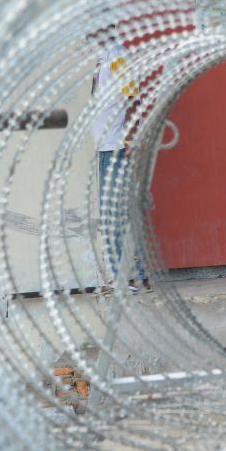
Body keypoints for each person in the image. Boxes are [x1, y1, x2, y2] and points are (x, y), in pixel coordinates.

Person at [91, 42, 151, 293]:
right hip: (107, 148)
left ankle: (133, 277)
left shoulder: (115, 54)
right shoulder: (104, 56)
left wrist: (131, 137)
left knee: (117, 216)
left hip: (115, 147)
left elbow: (132, 94)